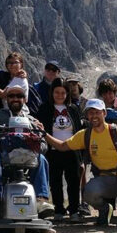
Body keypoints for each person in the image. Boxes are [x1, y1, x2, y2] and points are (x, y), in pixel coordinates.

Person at [43, 98, 117, 226]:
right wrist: (44, 134)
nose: (94, 116)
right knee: (88, 193)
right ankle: (105, 209)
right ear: (87, 115)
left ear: (104, 113)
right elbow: (62, 146)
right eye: (90, 113)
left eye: (97, 112)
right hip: (103, 180)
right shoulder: (85, 135)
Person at [0, 83, 54, 219]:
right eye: (11, 95)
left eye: (19, 96)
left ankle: (40, 201)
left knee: (41, 159)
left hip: (26, 156)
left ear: (24, 99)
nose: (15, 98)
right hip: (0, 153)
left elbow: (44, 145)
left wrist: (36, 146)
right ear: (6, 99)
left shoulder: (32, 121)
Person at [36, 77, 83, 222]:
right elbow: (40, 129)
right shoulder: (45, 108)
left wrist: (81, 156)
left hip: (72, 150)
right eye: (57, 92)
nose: (60, 95)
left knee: (73, 181)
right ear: (52, 92)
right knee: (55, 182)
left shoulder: (73, 108)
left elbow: (79, 130)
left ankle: (74, 210)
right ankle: (59, 209)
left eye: (63, 93)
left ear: (67, 94)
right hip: (53, 151)